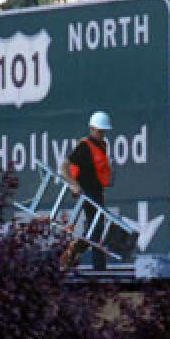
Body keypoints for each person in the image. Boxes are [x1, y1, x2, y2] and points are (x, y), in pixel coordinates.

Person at [62, 111, 115, 270]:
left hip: (97, 191)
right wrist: (74, 185)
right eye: (99, 131)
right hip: (86, 193)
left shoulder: (103, 145)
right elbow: (63, 167)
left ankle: (79, 252)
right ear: (91, 129)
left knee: (97, 229)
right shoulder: (84, 146)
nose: (101, 134)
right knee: (97, 228)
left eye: (103, 131)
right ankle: (96, 265)